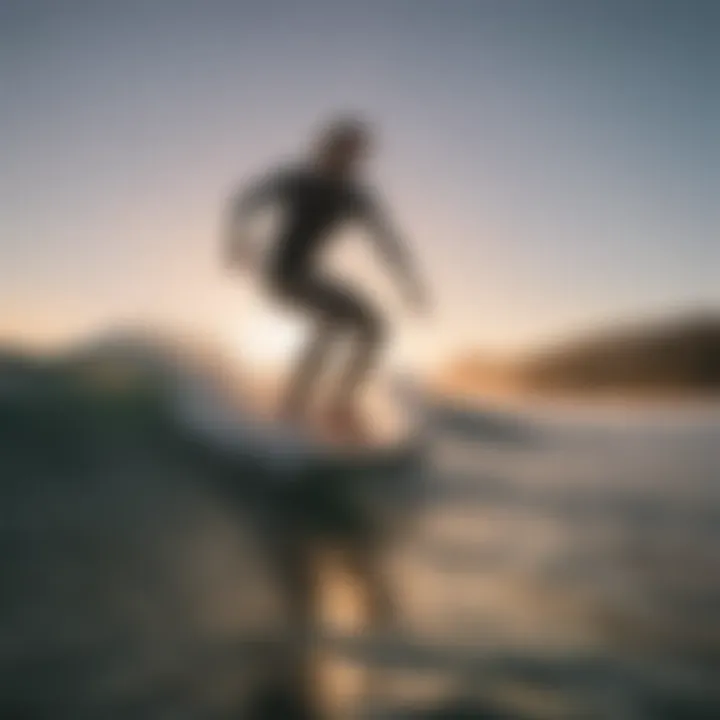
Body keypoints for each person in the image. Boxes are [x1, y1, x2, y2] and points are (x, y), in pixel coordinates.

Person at [225, 116, 428, 439]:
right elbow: (244, 202)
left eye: (354, 154)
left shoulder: (356, 198)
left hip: (310, 276)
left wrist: (411, 285)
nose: (345, 160)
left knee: (374, 327)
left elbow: (388, 244)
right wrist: (236, 242)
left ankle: (338, 406)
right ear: (323, 149)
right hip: (281, 274)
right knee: (331, 322)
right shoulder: (295, 181)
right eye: (339, 150)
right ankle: (291, 410)